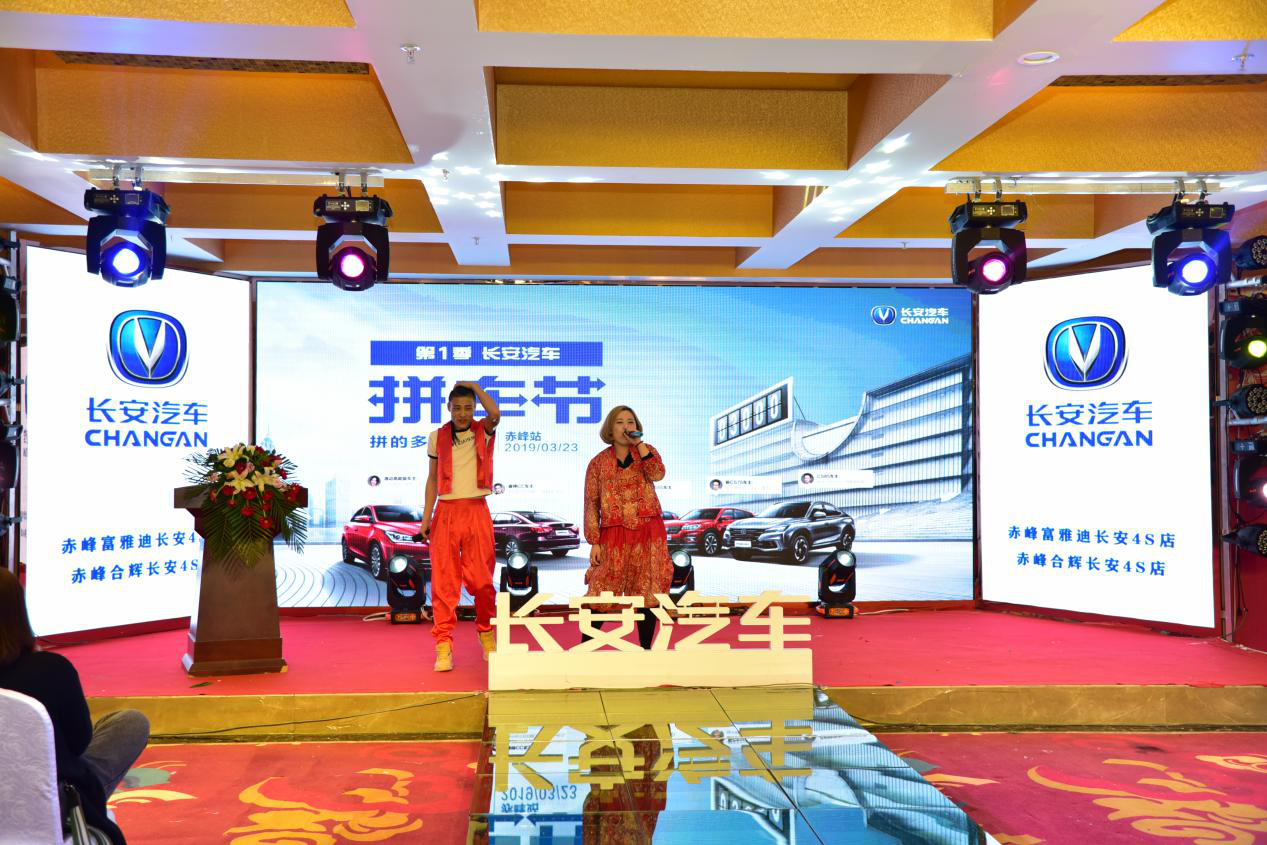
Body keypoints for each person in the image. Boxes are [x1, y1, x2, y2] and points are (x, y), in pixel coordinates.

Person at [0, 567, 149, 845]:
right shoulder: (52, 670)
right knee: (130, 723)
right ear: (18, 614)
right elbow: (79, 742)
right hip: (50, 803)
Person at [422, 381, 500, 672]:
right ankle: (443, 644)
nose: (463, 413)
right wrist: (426, 518)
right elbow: (432, 479)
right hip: (446, 512)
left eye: (468, 408)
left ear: (474, 408)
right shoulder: (436, 437)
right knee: (444, 581)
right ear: (449, 408)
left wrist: (475, 387)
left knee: (481, 581)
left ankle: (486, 632)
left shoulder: (483, 431)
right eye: (458, 408)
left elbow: (495, 413)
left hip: (476, 510)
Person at [582, 405, 672, 650]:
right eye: (620, 422)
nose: (626, 426)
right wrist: (594, 541)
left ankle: (646, 650)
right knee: (601, 589)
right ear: (610, 429)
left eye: (630, 422)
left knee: (648, 590)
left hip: (648, 530)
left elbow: (658, 474)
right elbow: (591, 503)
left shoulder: (647, 452)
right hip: (613, 532)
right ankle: (584, 650)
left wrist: (640, 445)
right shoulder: (598, 463)